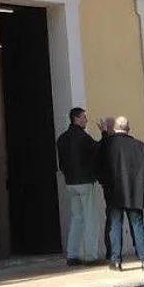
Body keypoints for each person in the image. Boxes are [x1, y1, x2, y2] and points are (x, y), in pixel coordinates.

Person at [97, 116, 144, 271]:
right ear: (128, 129)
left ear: (114, 129)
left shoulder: (107, 145)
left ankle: (116, 261)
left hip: (113, 192)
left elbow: (96, 163)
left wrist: (104, 181)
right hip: (134, 192)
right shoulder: (138, 145)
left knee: (115, 224)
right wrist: (143, 179)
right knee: (137, 224)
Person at [55, 107, 99, 265]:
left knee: (76, 219)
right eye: (84, 117)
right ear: (76, 119)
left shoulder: (62, 138)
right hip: (85, 181)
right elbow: (98, 150)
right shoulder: (83, 137)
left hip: (70, 183)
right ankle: (91, 256)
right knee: (90, 219)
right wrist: (105, 134)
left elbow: (62, 162)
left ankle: (72, 255)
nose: (86, 120)